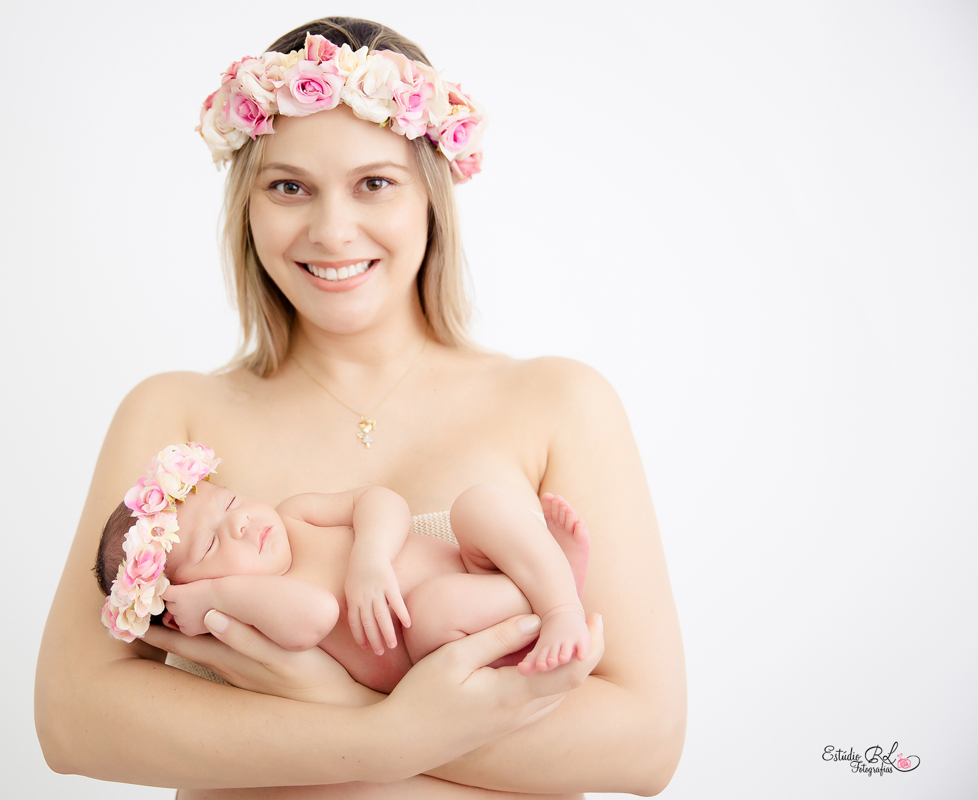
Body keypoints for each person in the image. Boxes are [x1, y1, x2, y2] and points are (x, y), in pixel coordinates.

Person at [35, 16, 685, 798]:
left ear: (430, 198)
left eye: (374, 183)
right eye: (288, 187)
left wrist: (336, 702)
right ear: (247, 205)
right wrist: (387, 734)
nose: (332, 231)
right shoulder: (174, 419)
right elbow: (74, 722)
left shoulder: (557, 402)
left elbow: (642, 745)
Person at [94, 442, 593, 692]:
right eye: (209, 546)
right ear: (182, 597)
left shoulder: (294, 515)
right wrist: (216, 600)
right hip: (443, 642)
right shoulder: (252, 614)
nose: (240, 524)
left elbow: (380, 500)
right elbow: (315, 614)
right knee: (434, 607)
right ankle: (550, 596)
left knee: (477, 504)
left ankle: (559, 599)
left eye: (230, 502)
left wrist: (370, 556)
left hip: (472, 567)